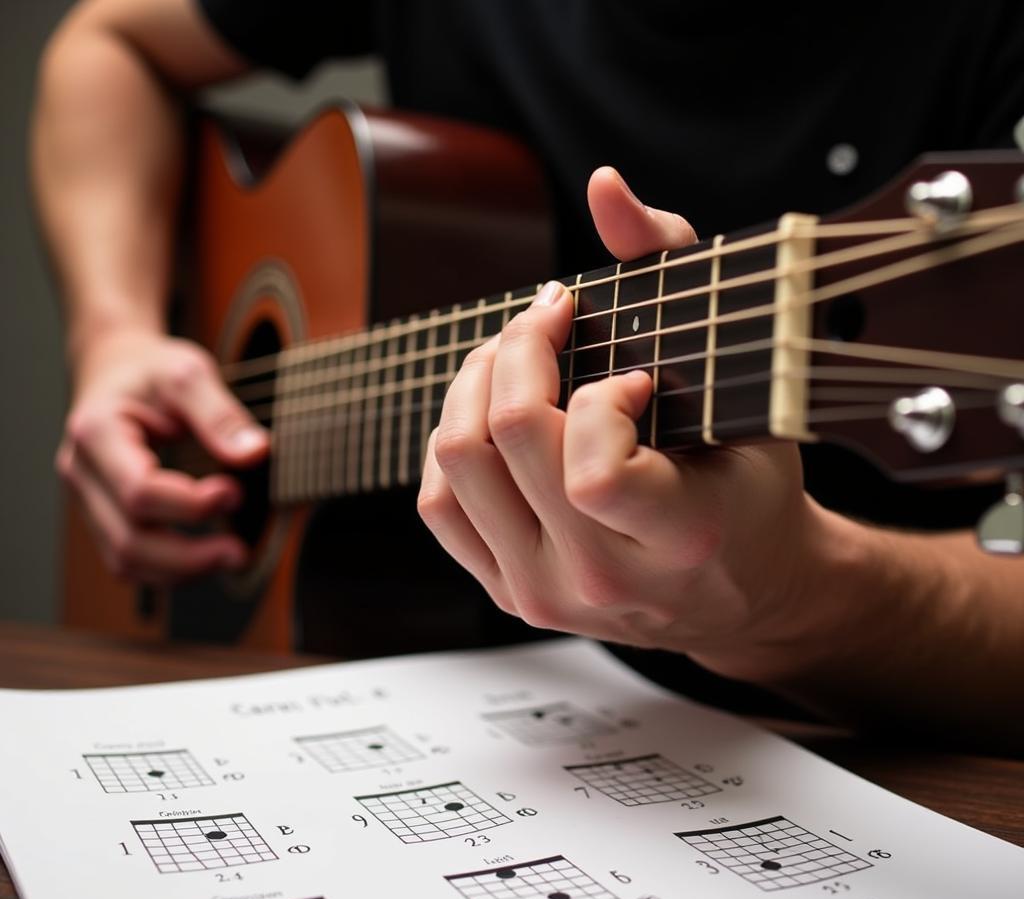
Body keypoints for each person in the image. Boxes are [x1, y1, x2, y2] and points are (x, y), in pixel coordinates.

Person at [33, 0, 1024, 751]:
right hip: (427, 726)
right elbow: (108, 44)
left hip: (826, 769)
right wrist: (115, 335)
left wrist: (791, 595)